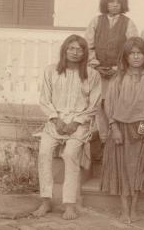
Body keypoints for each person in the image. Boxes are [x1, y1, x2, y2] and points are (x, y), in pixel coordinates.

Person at [32, 35, 101, 220]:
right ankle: (46, 201)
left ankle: (69, 204)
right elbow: (44, 100)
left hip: (79, 122)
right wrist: (56, 120)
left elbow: (94, 104)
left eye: (79, 49)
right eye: (71, 48)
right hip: (55, 121)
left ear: (85, 52)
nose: (75, 52)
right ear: (64, 50)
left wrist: (77, 122)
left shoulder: (92, 74)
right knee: (44, 152)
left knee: (70, 154)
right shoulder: (51, 71)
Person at [100, 37, 144, 224]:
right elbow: (109, 104)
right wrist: (114, 127)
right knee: (123, 168)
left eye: (139, 53)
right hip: (121, 127)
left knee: (138, 168)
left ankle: (135, 208)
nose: (136, 57)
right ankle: (124, 209)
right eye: (132, 53)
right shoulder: (118, 78)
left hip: (142, 126)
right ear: (126, 56)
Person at [84, 0, 138, 144]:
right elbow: (88, 46)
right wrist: (95, 64)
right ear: (105, 3)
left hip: (118, 72)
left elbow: (133, 48)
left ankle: (117, 137)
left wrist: (119, 67)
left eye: (118, 2)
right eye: (111, 1)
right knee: (100, 104)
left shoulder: (128, 23)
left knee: (115, 103)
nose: (115, 5)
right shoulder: (96, 21)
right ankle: (102, 139)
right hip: (98, 72)